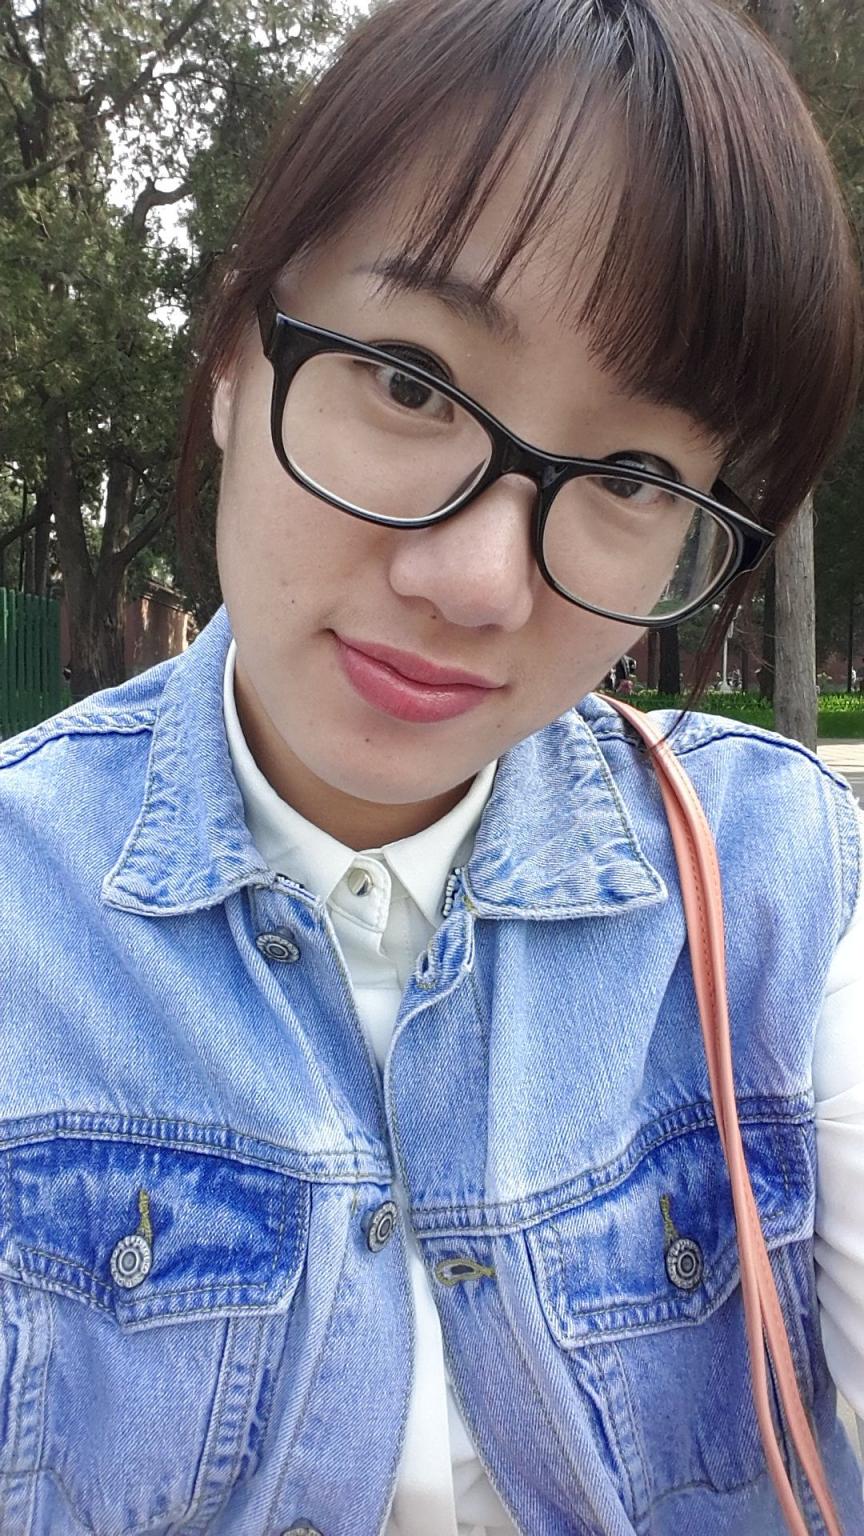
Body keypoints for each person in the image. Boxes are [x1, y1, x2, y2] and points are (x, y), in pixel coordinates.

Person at [0, 1, 862, 1532]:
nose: (476, 581)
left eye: (633, 475)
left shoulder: (783, 899)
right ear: (233, 355)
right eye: (410, 380)